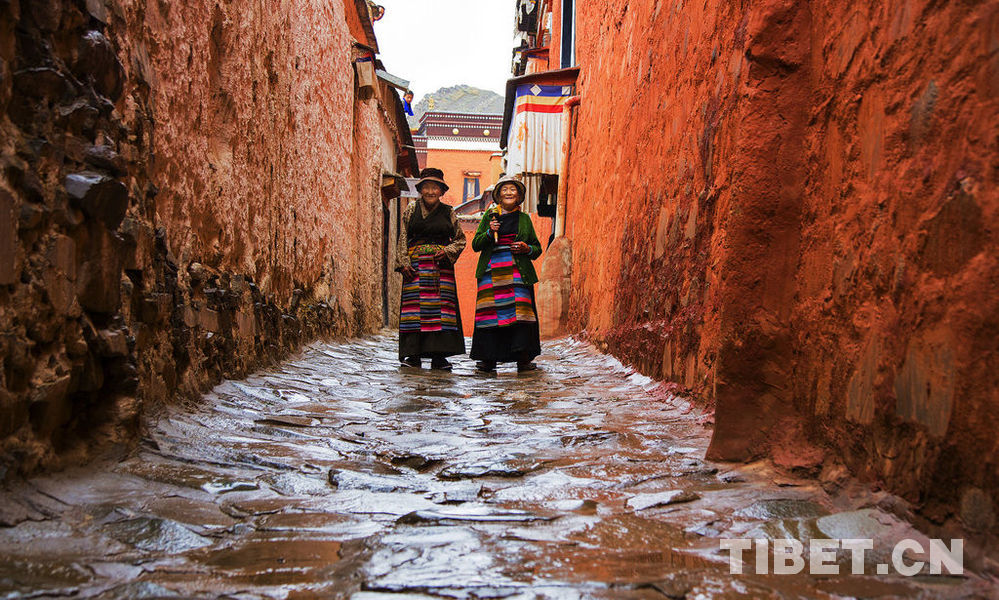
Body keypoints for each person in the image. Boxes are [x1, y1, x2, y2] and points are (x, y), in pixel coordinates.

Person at [470, 176, 543, 372]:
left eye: (513, 190)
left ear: (519, 196)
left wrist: (527, 248)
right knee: (490, 315)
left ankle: (523, 358)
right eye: (505, 190)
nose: (509, 193)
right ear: (498, 195)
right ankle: (488, 359)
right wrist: (488, 233)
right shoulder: (489, 216)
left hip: (517, 273)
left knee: (521, 315)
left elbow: (537, 249)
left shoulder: (524, 219)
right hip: (491, 272)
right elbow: (476, 245)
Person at [395, 168, 466, 370]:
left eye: (435, 187)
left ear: (441, 191)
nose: (430, 191)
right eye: (426, 187)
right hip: (415, 268)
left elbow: (460, 240)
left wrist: (448, 251)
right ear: (420, 189)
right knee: (414, 312)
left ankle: (439, 357)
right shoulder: (411, 209)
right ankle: (413, 356)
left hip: (440, 270)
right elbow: (403, 236)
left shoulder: (449, 212)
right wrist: (403, 263)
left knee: (441, 312)